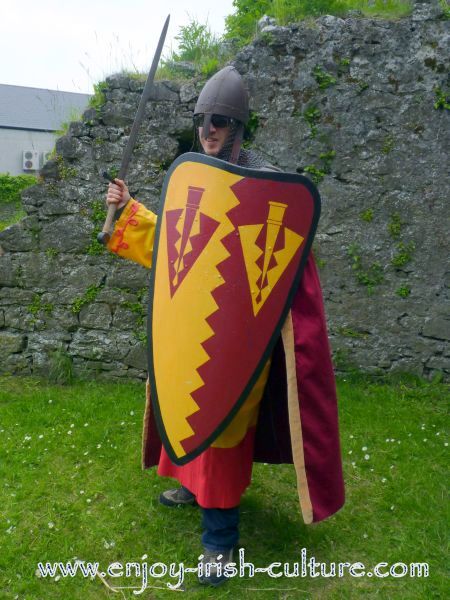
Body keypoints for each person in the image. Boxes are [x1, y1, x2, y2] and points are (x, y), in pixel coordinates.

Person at [105, 66, 344, 586]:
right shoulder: (193, 175)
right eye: (201, 120)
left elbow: (286, 270)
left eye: (218, 120)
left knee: (223, 427)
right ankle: (190, 488)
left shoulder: (271, 189)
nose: (207, 130)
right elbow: (176, 244)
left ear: (239, 127)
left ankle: (220, 543)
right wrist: (129, 212)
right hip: (193, 330)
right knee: (184, 409)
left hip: (236, 345)